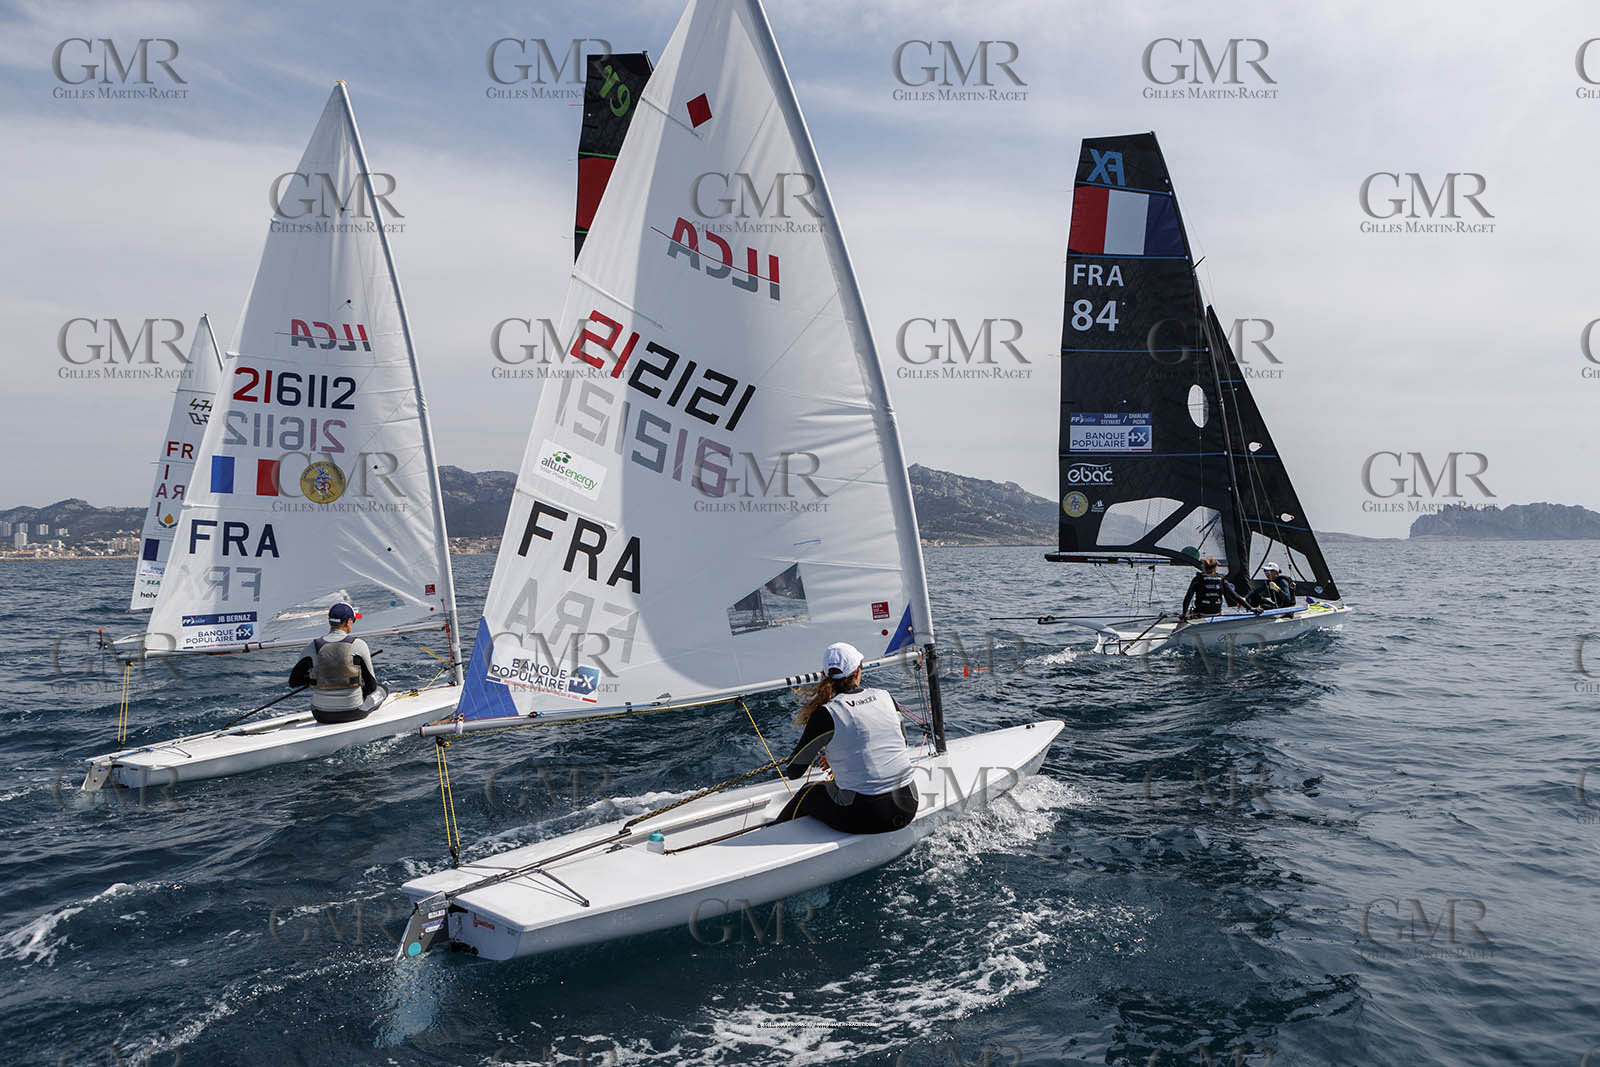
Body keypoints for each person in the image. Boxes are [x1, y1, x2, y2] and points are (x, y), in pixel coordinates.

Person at [772, 642, 919, 834]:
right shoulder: (885, 696)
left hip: (868, 816)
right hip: (909, 805)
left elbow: (794, 771)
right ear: (858, 671)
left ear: (825, 676)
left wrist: (835, 754)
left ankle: (773, 832)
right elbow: (901, 741)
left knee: (809, 791)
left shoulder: (827, 713)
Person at [288, 602, 386, 724]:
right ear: (348, 622)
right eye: (353, 621)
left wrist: (321, 678)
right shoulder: (358, 644)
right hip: (353, 711)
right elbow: (371, 686)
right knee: (382, 689)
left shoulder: (311, 647)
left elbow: (294, 682)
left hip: (320, 714)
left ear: (330, 622)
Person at [1181, 557, 1246, 619]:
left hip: (1201, 614)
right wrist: (1250, 608)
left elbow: (1188, 597)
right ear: (1215, 568)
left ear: (1203, 567)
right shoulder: (1221, 579)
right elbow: (1235, 596)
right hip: (1216, 613)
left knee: (1184, 617)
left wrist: (1184, 614)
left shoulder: (1198, 579)